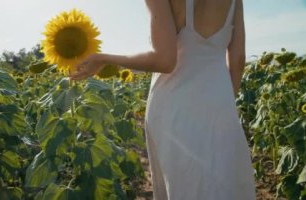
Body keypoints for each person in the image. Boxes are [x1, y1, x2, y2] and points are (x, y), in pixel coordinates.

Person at [69, 0, 256, 199]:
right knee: (223, 181)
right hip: (219, 100)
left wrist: (105, 58)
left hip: (174, 104)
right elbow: (238, 59)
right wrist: (223, 102)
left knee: (181, 183)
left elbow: (164, 60)